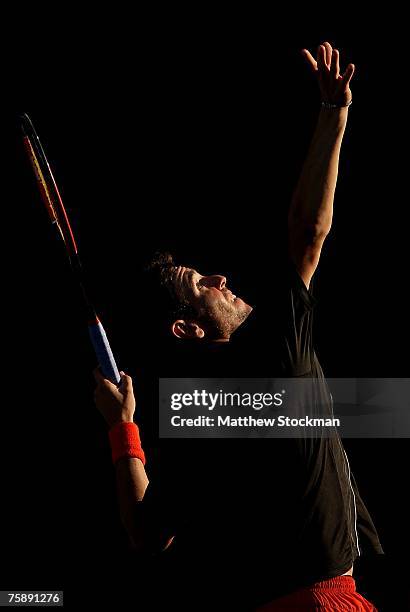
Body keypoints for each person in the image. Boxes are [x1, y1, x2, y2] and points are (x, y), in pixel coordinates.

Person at [94, 42, 383, 610]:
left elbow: (146, 534)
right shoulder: (273, 350)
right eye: (204, 284)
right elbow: (308, 230)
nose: (222, 279)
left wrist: (122, 427)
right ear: (189, 330)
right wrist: (334, 114)